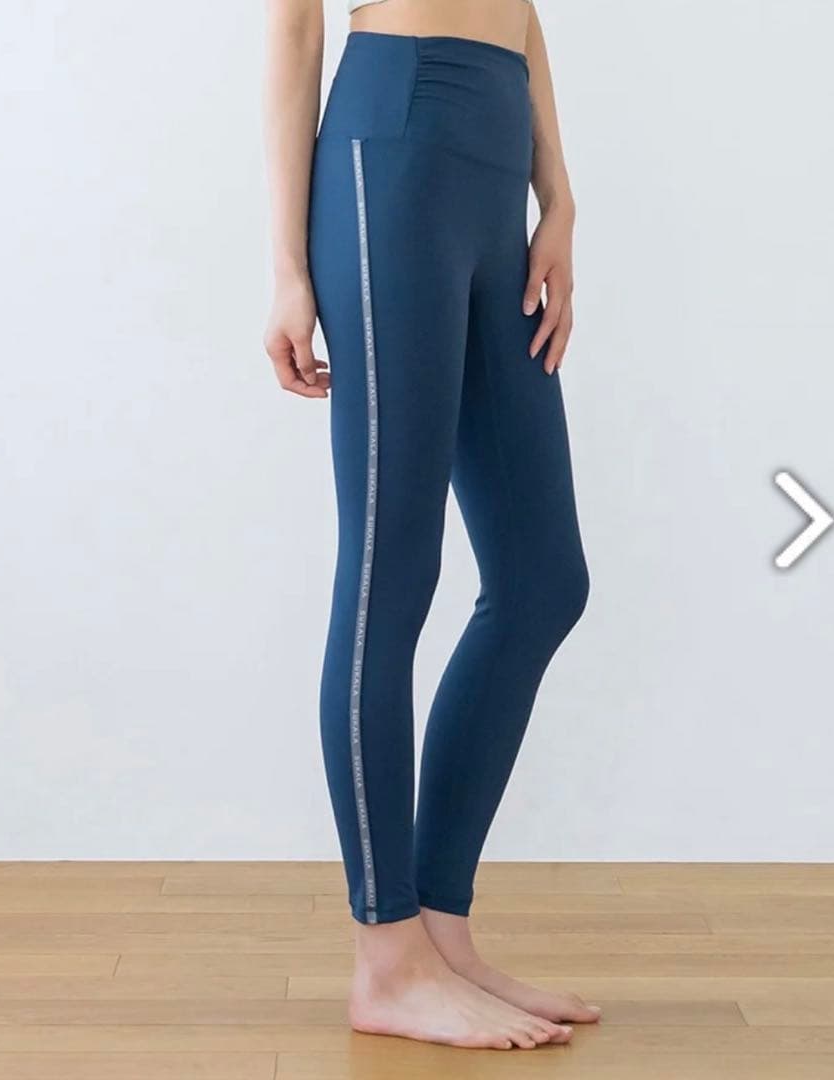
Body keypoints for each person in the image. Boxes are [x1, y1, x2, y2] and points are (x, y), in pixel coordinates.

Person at [263, 0, 597, 1050]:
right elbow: (294, 30)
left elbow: (520, 11)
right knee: (390, 573)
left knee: (541, 581)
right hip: (393, 149)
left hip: (494, 152)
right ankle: (386, 958)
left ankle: (440, 931)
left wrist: (559, 198)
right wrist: (288, 269)